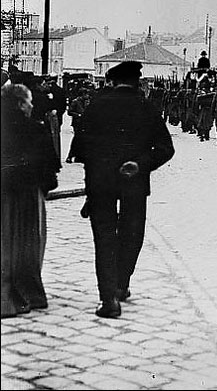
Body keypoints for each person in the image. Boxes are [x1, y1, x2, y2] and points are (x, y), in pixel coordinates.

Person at [75, 61, 174, 318]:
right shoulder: (146, 107)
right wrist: (139, 164)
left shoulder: (96, 105)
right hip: (134, 181)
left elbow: (80, 148)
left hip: (100, 183)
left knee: (104, 238)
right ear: (137, 82)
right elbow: (166, 149)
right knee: (132, 234)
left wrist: (96, 171)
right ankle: (122, 283)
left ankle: (108, 299)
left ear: (111, 81)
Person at [1, 83, 60, 318]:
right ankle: (28, 293)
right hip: (27, 195)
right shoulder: (35, 129)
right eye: (29, 102)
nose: (32, 106)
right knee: (28, 243)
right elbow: (49, 166)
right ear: (19, 104)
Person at [65, 87, 91, 163]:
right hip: (77, 123)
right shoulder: (75, 101)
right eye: (86, 94)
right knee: (77, 140)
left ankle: (79, 156)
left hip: (84, 123)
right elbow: (69, 112)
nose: (88, 96)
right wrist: (78, 115)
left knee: (83, 140)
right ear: (82, 94)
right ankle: (70, 156)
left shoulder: (87, 102)